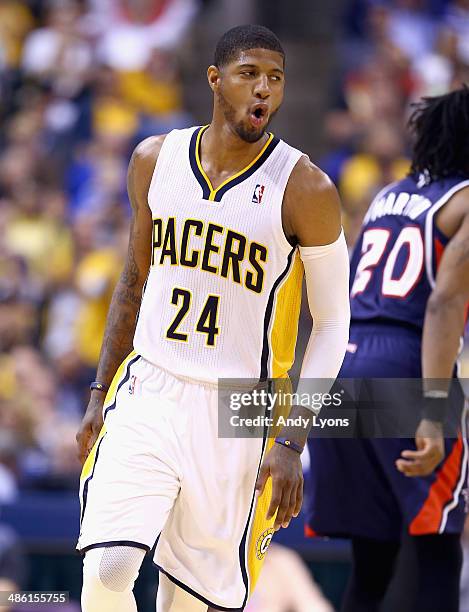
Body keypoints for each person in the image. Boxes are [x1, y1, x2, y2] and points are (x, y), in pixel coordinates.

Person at [75, 25, 350, 612]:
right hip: (150, 383)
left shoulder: (306, 188)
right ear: (215, 79)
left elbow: (331, 326)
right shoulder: (155, 159)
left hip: (239, 410)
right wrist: (100, 389)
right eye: (250, 73)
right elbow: (132, 280)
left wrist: (292, 441)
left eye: (275, 79)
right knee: (109, 564)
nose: (264, 90)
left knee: (192, 599)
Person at [306, 86, 469, 612]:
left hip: (343, 369)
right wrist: (435, 409)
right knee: (439, 550)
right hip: (404, 361)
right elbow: (444, 302)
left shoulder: (385, 197)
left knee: (371, 562)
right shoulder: (464, 200)